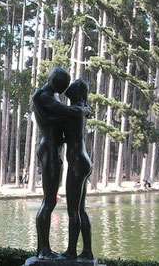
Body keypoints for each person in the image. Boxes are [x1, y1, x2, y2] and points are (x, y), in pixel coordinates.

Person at [32, 68, 90, 260]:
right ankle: (43, 250)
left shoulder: (50, 96)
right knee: (49, 201)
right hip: (49, 149)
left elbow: (61, 116)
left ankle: (49, 250)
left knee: (63, 205)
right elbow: (65, 112)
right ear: (55, 83)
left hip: (55, 150)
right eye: (61, 88)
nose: (62, 92)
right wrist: (83, 109)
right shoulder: (43, 96)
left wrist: (82, 110)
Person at [60, 79, 94, 260]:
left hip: (76, 163)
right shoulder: (81, 110)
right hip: (84, 161)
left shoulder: (73, 111)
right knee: (80, 210)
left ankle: (71, 251)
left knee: (73, 210)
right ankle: (87, 250)